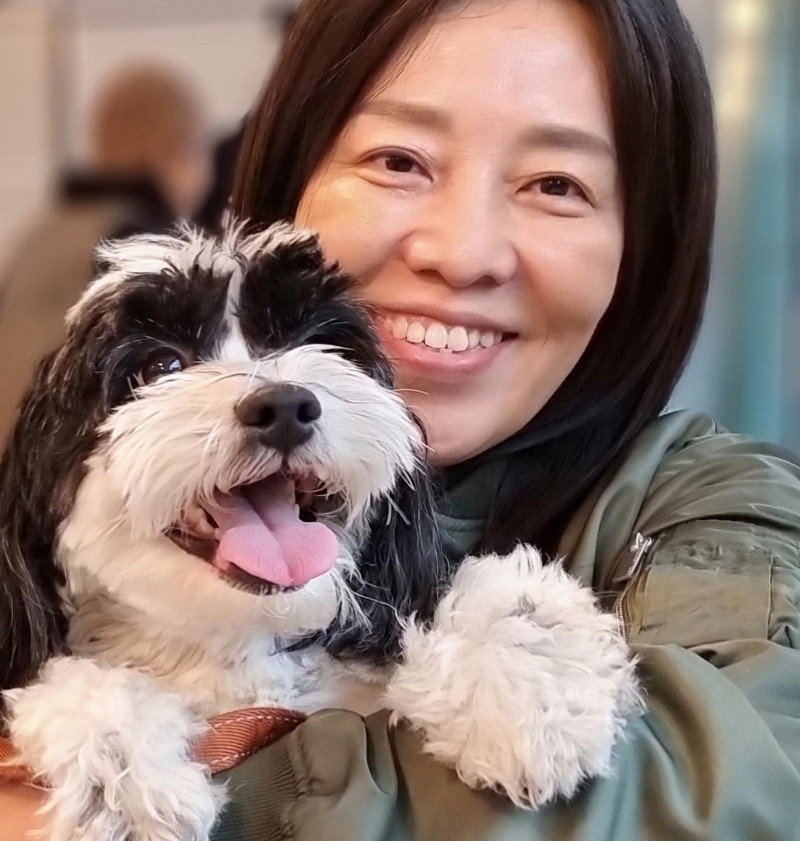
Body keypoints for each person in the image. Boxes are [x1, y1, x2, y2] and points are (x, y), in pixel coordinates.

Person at [3, 0, 800, 839]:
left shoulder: (719, 506)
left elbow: (743, 789)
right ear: (291, 176)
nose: (462, 253)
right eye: (399, 160)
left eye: (555, 184)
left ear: (644, 246)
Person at [0, 65, 211, 446]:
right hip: (65, 467)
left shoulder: (45, 231)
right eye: (199, 149)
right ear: (175, 151)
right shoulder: (135, 241)